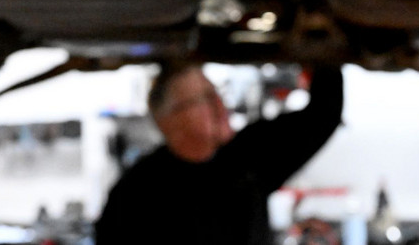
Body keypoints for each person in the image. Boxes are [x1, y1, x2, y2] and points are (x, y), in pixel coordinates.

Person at [94, 62, 344, 244]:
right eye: (205, 98)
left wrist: (318, 45)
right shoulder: (137, 194)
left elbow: (324, 113)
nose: (220, 106)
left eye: (216, 94)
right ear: (170, 120)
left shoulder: (246, 156)